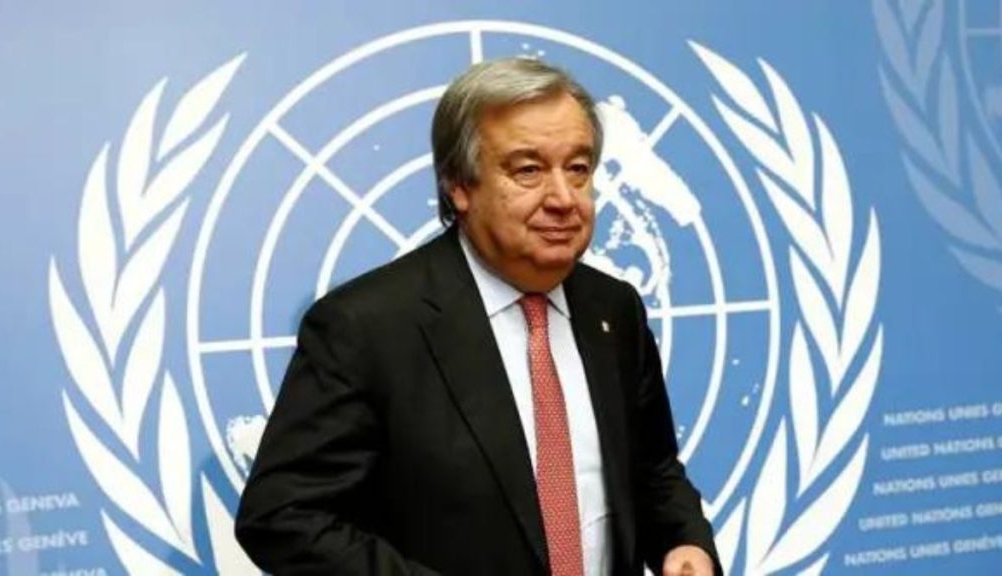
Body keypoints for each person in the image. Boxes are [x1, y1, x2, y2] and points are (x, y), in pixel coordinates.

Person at [235, 57, 721, 576]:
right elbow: (283, 516)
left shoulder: (614, 310)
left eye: (578, 169)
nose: (563, 198)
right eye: (528, 170)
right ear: (459, 186)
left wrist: (684, 542)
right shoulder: (366, 327)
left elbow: (652, 470)